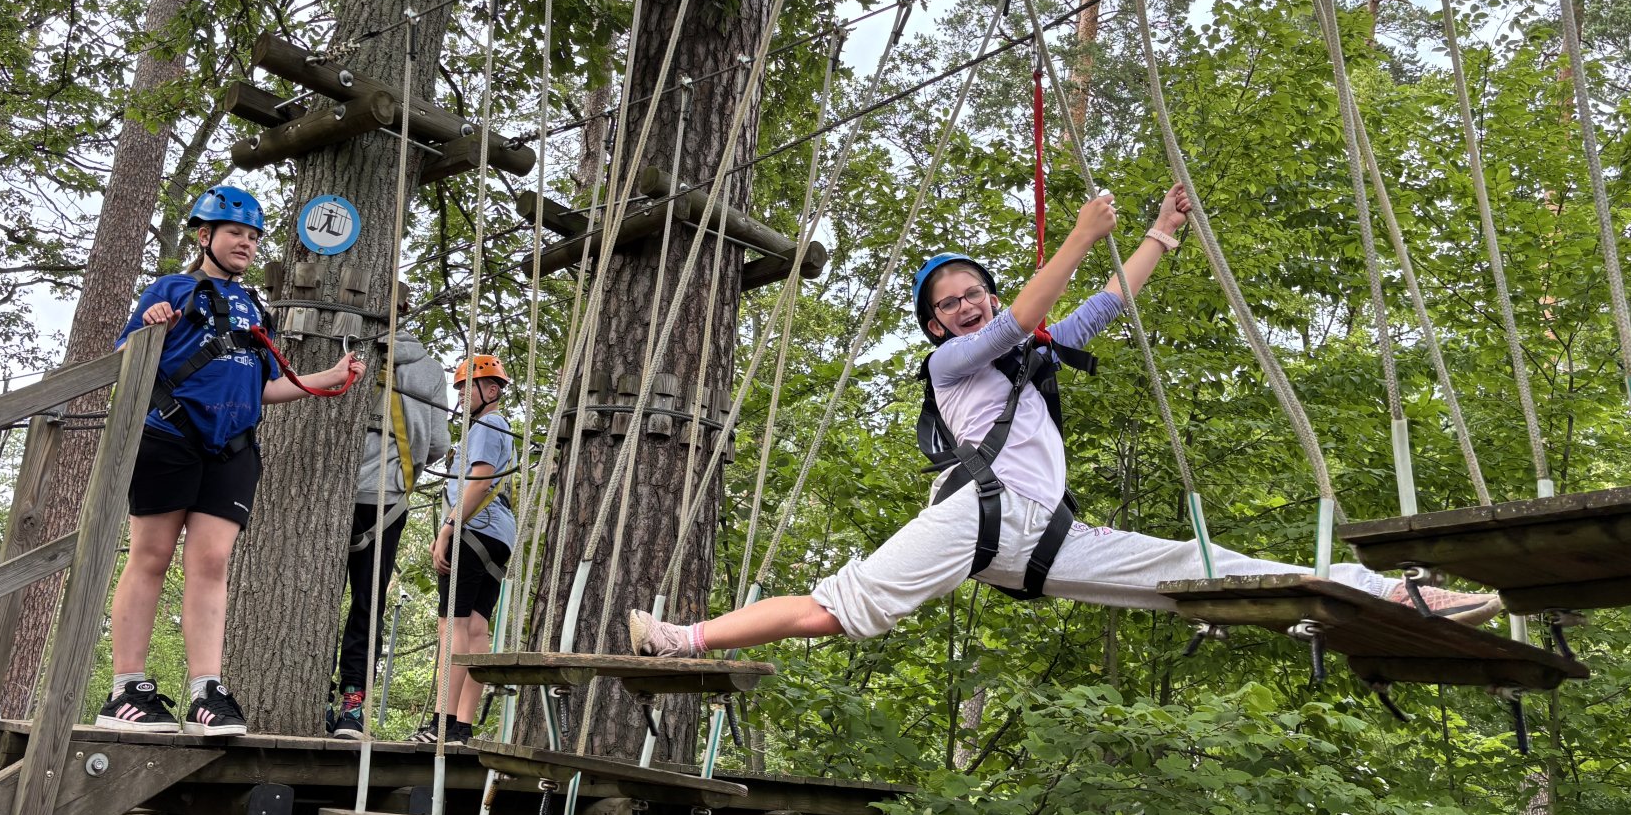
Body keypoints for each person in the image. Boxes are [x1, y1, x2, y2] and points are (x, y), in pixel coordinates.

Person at [630, 186, 1500, 660]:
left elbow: (1102, 306)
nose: (967, 306)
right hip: (973, 517)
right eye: (950, 303)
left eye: (974, 292)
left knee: (1199, 567)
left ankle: (1391, 597)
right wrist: (1080, 235)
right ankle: (683, 639)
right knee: (837, 610)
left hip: (1041, 536)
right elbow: (1027, 313)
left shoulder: (1031, 355)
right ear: (935, 325)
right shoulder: (951, 365)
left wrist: (1158, 235)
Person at [95, 184, 362, 736]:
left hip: (233, 449)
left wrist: (329, 378)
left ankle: (206, 691)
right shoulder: (170, 289)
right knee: (151, 555)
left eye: (253, 237)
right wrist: (153, 326)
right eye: (235, 233)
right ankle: (126, 689)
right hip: (168, 437)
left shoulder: (255, 307)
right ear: (205, 236)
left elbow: (266, 386)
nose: (246, 243)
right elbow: (122, 357)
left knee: (212, 561)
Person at [327, 289, 452, 740]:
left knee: (317, 595)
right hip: (386, 499)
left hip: (329, 494)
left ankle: (314, 691)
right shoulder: (429, 369)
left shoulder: (336, 346)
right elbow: (438, 445)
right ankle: (353, 703)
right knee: (368, 602)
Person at [411, 354, 517, 744]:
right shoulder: (498, 429)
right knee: (476, 628)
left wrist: (448, 528)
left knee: (451, 625)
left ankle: (441, 722)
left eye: (466, 389)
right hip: (497, 535)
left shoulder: (487, 425)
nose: (460, 397)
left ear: (490, 390)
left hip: (474, 531)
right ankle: (462, 727)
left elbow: (480, 481)